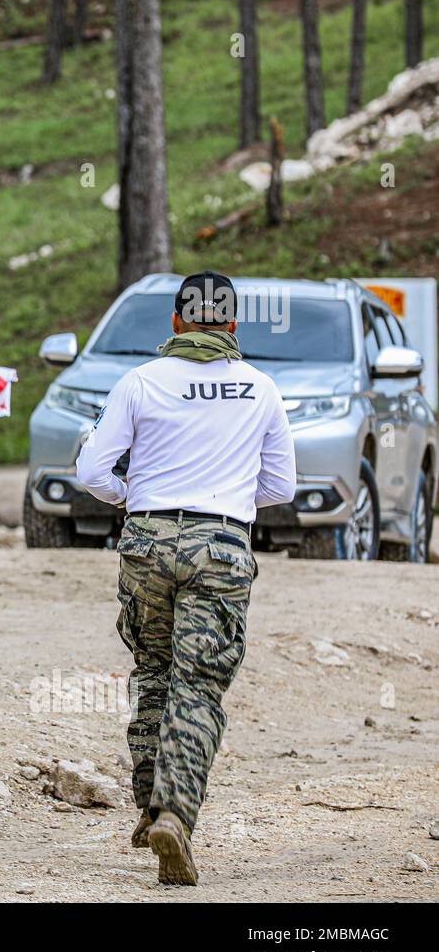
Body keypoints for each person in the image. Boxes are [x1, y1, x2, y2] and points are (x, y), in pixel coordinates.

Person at [75, 270, 295, 886]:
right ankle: (175, 811)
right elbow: (281, 487)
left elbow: (92, 467)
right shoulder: (261, 389)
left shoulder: (140, 382)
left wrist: (132, 495)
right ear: (232, 324)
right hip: (221, 544)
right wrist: (225, 500)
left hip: (145, 540)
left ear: (175, 323)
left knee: (152, 672)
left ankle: (149, 806)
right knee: (198, 683)